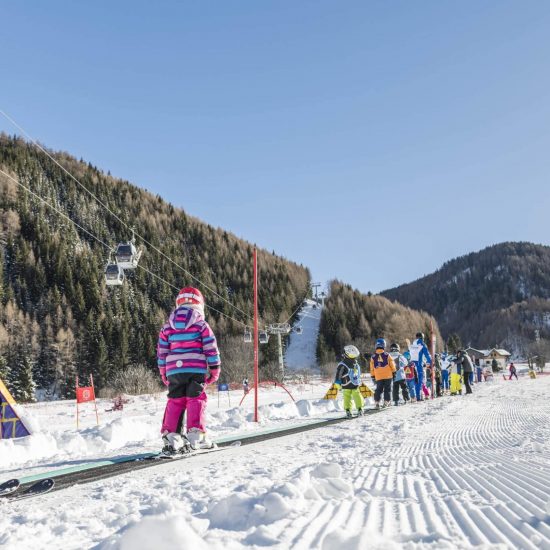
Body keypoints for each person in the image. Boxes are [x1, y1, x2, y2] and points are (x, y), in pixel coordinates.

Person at [157, 287, 221, 454]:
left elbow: (162, 351)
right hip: (195, 368)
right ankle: (195, 436)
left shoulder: (167, 327)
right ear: (200, 304)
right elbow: (211, 348)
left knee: (175, 401)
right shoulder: (201, 324)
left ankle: (172, 437)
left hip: (173, 371)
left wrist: (164, 372)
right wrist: (214, 369)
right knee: (196, 399)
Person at [334, 345, 364, 418]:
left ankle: (348, 411)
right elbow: (359, 374)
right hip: (355, 384)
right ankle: (360, 409)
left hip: (345, 384)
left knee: (347, 398)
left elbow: (338, 374)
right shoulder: (356, 364)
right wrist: (359, 381)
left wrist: (337, 382)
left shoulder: (342, 364)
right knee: (357, 396)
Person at [369, 338, 396, 409]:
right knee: (387, 389)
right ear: (384, 345)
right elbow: (392, 364)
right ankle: (386, 402)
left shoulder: (373, 357)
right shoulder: (387, 355)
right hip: (388, 376)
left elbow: (372, 368)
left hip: (378, 377)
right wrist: (394, 372)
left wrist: (372, 376)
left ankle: (377, 403)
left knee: (378, 389)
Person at [409, 332, 432, 402]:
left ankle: (415, 397)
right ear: (422, 337)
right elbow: (427, 355)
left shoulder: (412, 344)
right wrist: (430, 362)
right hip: (419, 365)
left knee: (414, 380)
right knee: (419, 381)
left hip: (412, 364)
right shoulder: (422, 344)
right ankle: (418, 397)